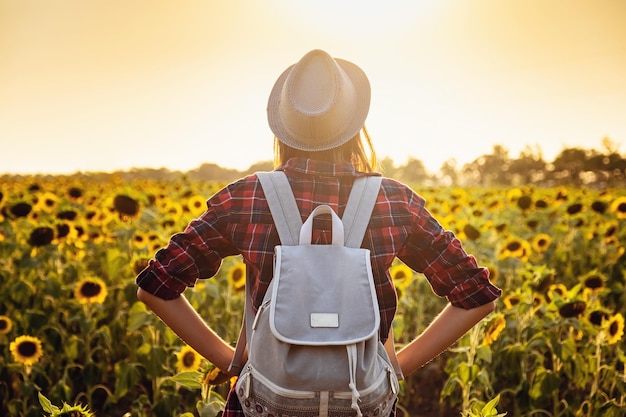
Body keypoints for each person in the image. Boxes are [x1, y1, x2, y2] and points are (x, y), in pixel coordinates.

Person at [136, 49, 502, 416]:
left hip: (266, 401)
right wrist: (396, 367)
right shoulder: (393, 201)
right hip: (362, 403)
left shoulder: (247, 198)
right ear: (354, 127)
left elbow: (156, 286)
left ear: (284, 128)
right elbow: (476, 295)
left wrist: (233, 362)